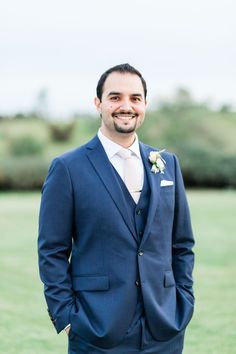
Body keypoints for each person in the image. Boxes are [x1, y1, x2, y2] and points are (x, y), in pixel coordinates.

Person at [38, 63, 195, 354]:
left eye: (135, 98)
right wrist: (67, 317)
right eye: (115, 97)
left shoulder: (167, 164)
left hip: (165, 330)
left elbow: (182, 243)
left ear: (145, 104)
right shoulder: (67, 169)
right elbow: (52, 250)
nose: (126, 106)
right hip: (96, 330)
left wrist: (183, 301)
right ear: (98, 103)